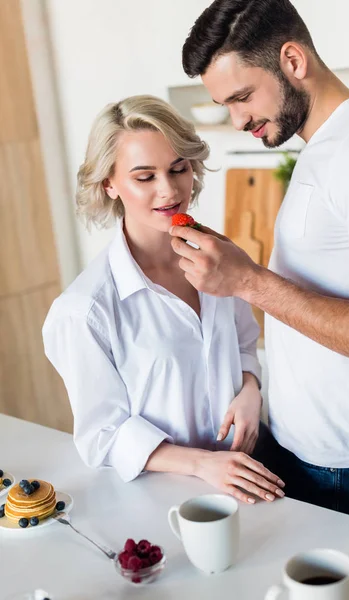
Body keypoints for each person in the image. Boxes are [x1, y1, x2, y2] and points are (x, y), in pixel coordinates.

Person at [169, 0, 349, 526]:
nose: (238, 119)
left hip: (346, 460)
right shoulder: (324, 145)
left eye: (243, 96)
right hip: (306, 441)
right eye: (224, 104)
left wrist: (247, 281)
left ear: (293, 61)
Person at [42, 95, 285, 505]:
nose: (169, 190)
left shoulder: (218, 256)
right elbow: (102, 435)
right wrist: (201, 464)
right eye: (144, 176)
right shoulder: (84, 311)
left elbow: (245, 342)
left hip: (249, 476)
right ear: (109, 184)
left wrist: (249, 390)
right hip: (163, 499)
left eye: (178, 169)